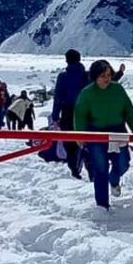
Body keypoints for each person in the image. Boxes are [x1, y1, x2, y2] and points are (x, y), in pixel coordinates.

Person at [68, 60, 133, 208]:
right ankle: (102, 205)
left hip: (118, 131)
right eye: (103, 76)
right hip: (96, 133)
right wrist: (80, 135)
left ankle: (114, 179)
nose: (107, 78)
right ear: (95, 77)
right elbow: (80, 115)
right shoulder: (87, 93)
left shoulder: (117, 89)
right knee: (100, 168)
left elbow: (128, 109)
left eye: (108, 75)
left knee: (123, 163)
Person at [50, 49, 87, 179]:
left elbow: (58, 98)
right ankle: (84, 162)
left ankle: (74, 167)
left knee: (69, 140)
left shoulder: (63, 77)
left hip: (68, 112)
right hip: (84, 112)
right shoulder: (86, 75)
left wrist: (55, 117)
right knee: (86, 139)